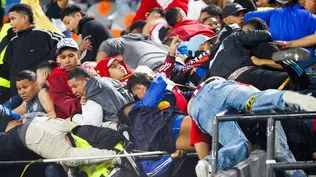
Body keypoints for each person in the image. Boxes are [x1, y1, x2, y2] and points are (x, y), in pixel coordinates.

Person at [189, 76, 315, 177]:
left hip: (195, 109)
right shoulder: (244, 88)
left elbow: (200, 145)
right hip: (217, 88)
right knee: (255, 101)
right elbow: (255, 98)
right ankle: (285, 97)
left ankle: (211, 163)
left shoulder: (193, 109)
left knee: (241, 144)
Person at [208, 18, 311, 91]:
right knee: (298, 81)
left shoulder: (262, 45)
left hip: (224, 86)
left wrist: (262, 61)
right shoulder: (246, 44)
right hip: (244, 79)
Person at [0, 4, 62, 100]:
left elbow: (65, 48)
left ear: (25, 18)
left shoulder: (45, 36)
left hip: (41, 95)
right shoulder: (12, 42)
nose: (11, 23)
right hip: (17, 96)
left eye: (13, 19)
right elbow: (7, 71)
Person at [243, 0, 316, 68]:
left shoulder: (273, 12)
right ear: (302, 1)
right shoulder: (311, 17)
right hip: (302, 66)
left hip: (274, 62)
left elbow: (246, 16)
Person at [67, 67, 134, 125]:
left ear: (86, 80)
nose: (73, 91)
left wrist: (74, 117)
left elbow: (91, 124)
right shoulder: (106, 79)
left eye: (75, 86)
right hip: (136, 116)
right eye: (71, 88)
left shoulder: (91, 98)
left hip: (119, 127)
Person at [48, 38, 82, 118]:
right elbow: (66, 105)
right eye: (63, 57)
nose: (67, 61)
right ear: (59, 59)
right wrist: (84, 102)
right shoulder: (56, 77)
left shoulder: (88, 70)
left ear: (78, 55)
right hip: (68, 119)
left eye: (71, 56)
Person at [96, 33, 169, 70]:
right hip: (174, 61)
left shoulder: (122, 42)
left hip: (156, 67)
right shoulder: (149, 43)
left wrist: (100, 69)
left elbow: (107, 44)